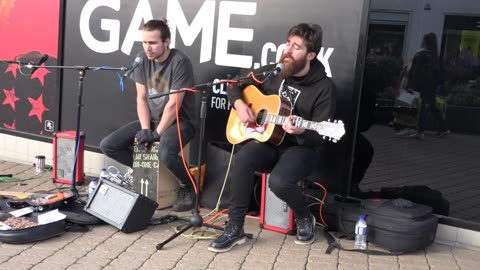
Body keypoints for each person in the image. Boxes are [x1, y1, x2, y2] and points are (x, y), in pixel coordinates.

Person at [208, 23, 336, 253]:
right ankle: (235, 228)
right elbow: (235, 85)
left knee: (279, 181)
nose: (287, 50)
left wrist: (301, 130)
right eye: (288, 43)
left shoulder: (324, 88)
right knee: (243, 159)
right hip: (270, 141)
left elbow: (322, 134)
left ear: (311, 55)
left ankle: (305, 217)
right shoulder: (274, 71)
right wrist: (239, 105)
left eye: (296, 47)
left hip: (302, 147)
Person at [100, 18, 197, 212]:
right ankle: (145, 174)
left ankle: (189, 187)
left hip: (180, 121)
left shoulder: (180, 61)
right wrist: (146, 129)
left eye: (152, 43)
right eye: (144, 42)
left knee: (165, 152)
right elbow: (141, 98)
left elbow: (173, 105)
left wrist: (156, 134)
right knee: (108, 145)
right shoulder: (142, 59)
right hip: (152, 120)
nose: (147, 48)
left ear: (166, 42)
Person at [407, 32, 449, 139]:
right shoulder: (436, 56)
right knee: (432, 106)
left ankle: (420, 132)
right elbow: (441, 73)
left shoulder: (420, 54)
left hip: (421, 85)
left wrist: (410, 85)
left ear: (424, 41)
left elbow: (414, 71)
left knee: (421, 106)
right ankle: (443, 129)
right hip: (431, 86)